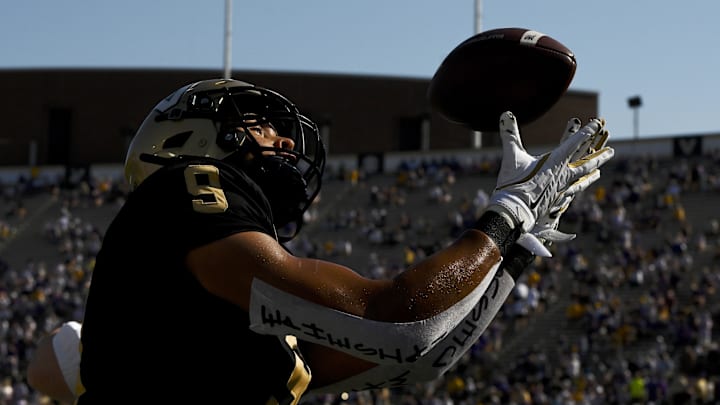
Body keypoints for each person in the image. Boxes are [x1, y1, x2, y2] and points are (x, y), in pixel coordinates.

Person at [25, 78, 614, 404]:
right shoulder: (181, 191)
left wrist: (518, 238)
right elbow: (392, 321)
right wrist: (508, 214)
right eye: (261, 124)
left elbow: (420, 355)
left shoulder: (227, 320)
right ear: (188, 137)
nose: (282, 140)